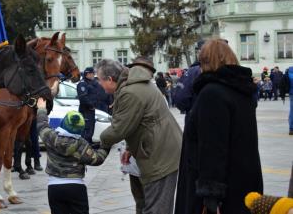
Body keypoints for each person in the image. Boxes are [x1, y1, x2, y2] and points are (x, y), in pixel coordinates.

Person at [174, 39, 263, 214]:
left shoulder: (212, 93)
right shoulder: (242, 91)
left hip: (219, 190)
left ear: (206, 62)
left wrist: (210, 196)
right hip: (244, 181)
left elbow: (212, 148)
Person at [96, 58, 182, 214]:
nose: (99, 84)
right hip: (158, 148)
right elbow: (138, 121)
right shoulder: (131, 85)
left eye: (100, 80)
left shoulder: (130, 92)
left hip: (160, 155)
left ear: (109, 79)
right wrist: (129, 147)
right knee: (147, 204)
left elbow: (118, 129)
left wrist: (96, 142)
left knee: (157, 208)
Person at [36, 98, 109, 214]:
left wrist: (41, 109)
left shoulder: (51, 136)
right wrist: (106, 146)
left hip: (54, 187)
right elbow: (97, 159)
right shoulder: (81, 144)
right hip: (76, 187)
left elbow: (41, 124)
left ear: (64, 123)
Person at [77, 67, 99, 144]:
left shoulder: (91, 83)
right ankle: (85, 146)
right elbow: (83, 98)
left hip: (91, 110)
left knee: (90, 129)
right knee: (86, 130)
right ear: (88, 74)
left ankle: (89, 145)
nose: (94, 75)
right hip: (85, 110)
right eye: (93, 73)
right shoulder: (82, 83)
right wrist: (91, 105)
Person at [280, 66, 293, 135]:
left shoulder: (288, 71)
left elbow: (282, 83)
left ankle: (291, 128)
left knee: (292, 111)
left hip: (291, 93)